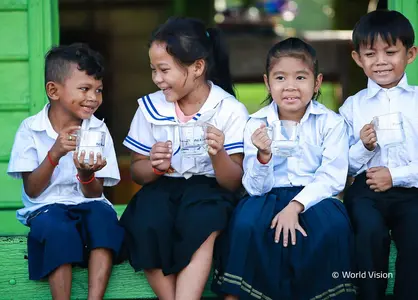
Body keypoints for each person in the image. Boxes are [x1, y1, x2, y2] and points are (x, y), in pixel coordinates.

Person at [212, 37, 355, 300]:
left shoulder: (331, 123)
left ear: (317, 83)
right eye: (280, 78)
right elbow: (253, 187)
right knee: (247, 224)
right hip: (266, 196)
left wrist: (295, 206)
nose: (290, 86)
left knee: (331, 228)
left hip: (315, 197)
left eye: (300, 78)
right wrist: (263, 157)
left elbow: (332, 178)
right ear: (267, 82)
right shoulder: (255, 123)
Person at [119, 17, 249, 300]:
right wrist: (154, 166)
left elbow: (233, 181)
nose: (157, 79)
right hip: (164, 186)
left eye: (164, 70)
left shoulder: (229, 110)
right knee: (146, 221)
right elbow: (137, 172)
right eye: (153, 70)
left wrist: (219, 155)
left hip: (211, 189)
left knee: (203, 222)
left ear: (197, 67)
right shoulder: (150, 108)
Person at [7, 43, 124, 299]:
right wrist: (55, 153)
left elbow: (94, 194)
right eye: (84, 89)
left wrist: (86, 174)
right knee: (58, 229)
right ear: (54, 90)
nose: (93, 97)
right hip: (45, 208)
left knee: (105, 220)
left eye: (98, 90)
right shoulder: (31, 129)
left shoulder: (98, 131)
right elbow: (33, 190)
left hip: (87, 203)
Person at [339, 10, 418, 300]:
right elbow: (343, 165)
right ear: (358, 59)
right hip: (367, 190)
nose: (381, 61)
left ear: (410, 54)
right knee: (367, 230)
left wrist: (395, 175)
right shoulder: (352, 106)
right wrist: (364, 146)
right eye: (370, 54)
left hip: (412, 189)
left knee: (415, 235)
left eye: (391, 52)